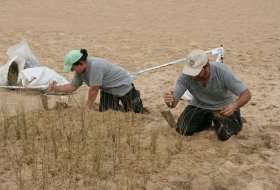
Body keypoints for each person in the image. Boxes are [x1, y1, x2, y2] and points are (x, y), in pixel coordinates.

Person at [163, 50, 252, 141]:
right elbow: (173, 104)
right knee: (182, 129)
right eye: (191, 71)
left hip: (223, 106)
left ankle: (235, 118)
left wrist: (234, 106)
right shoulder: (186, 75)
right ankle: (206, 121)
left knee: (225, 135)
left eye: (196, 71)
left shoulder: (223, 72)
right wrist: (169, 101)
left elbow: (247, 94)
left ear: (207, 66)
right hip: (199, 104)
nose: (193, 76)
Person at [48, 49, 143, 113]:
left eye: (72, 68)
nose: (72, 71)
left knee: (135, 114)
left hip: (123, 86)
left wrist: (86, 109)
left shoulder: (95, 66)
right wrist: (56, 89)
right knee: (106, 114)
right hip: (108, 90)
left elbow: (94, 90)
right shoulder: (79, 72)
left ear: (80, 63)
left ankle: (135, 96)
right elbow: (72, 87)